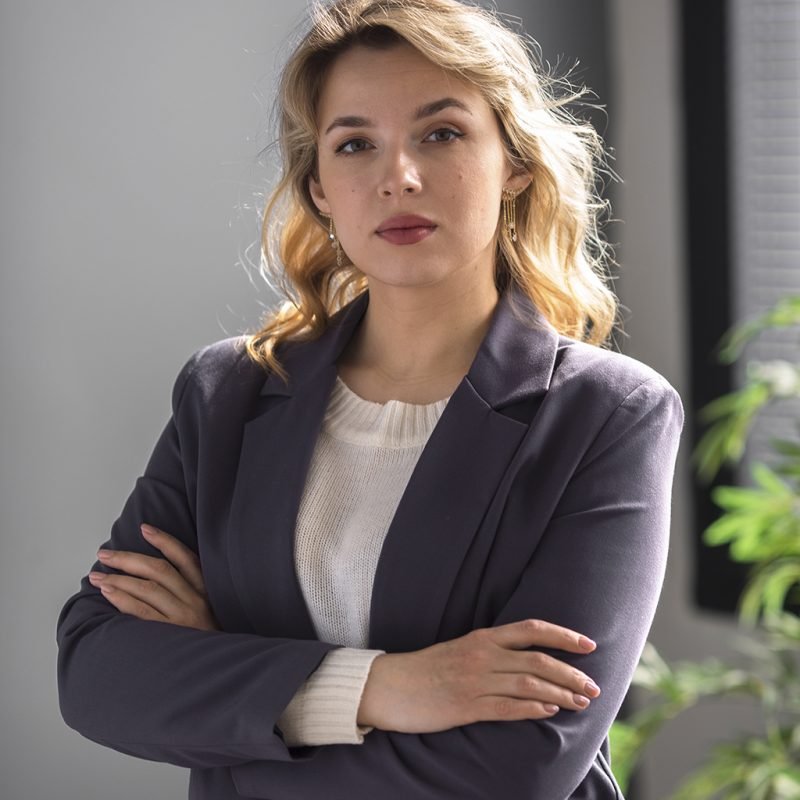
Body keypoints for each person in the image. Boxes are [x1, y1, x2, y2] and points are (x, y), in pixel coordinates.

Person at [56, 0, 683, 797]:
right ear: (319, 186)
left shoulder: (608, 415)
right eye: (356, 144)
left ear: (515, 162)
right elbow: (96, 673)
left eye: (442, 133)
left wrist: (234, 694)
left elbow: (519, 767)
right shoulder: (225, 396)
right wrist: (386, 688)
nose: (399, 177)